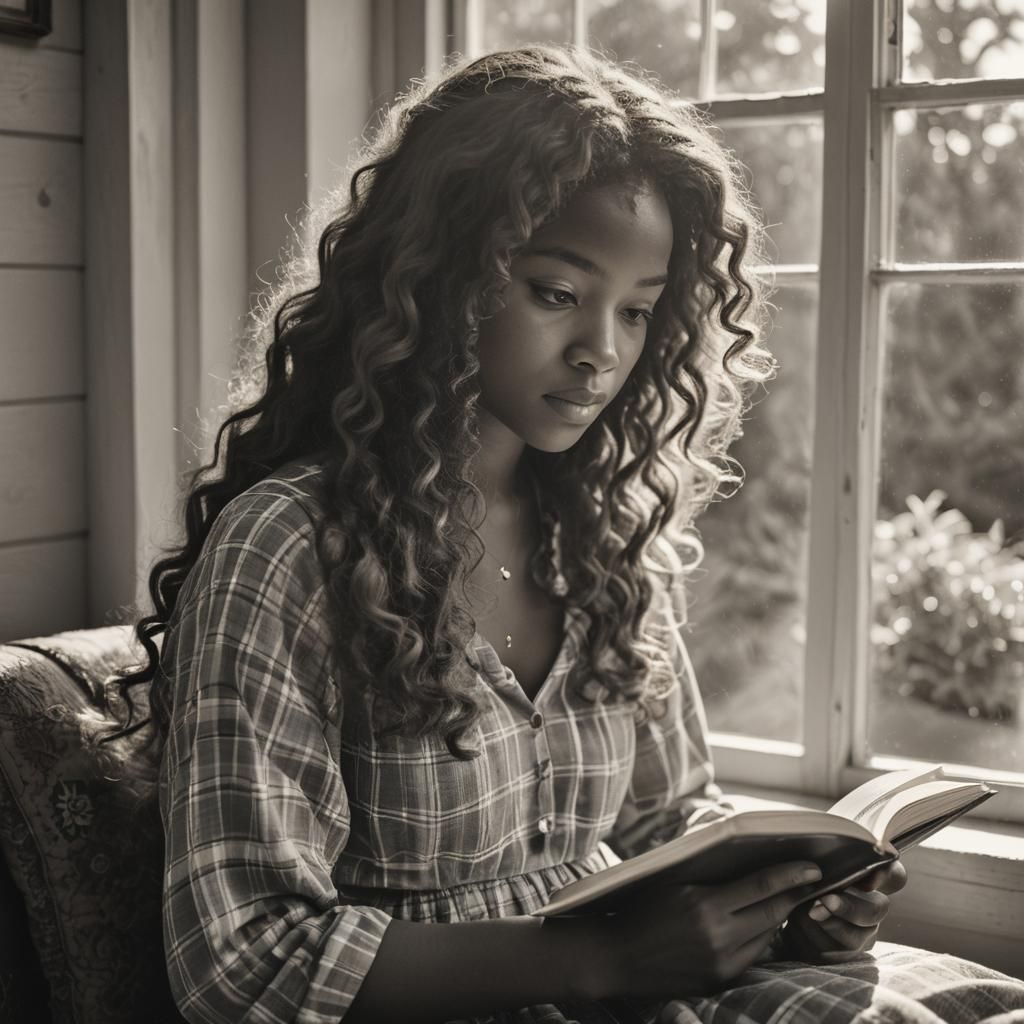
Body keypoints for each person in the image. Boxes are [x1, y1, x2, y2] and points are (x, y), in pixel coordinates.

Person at [110, 44, 1024, 1024]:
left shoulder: (601, 537)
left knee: (971, 1002)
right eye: (556, 293)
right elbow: (241, 963)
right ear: (436, 277)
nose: (601, 353)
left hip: (630, 994)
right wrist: (584, 962)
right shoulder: (290, 549)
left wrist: (800, 900)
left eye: (637, 312)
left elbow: (667, 823)